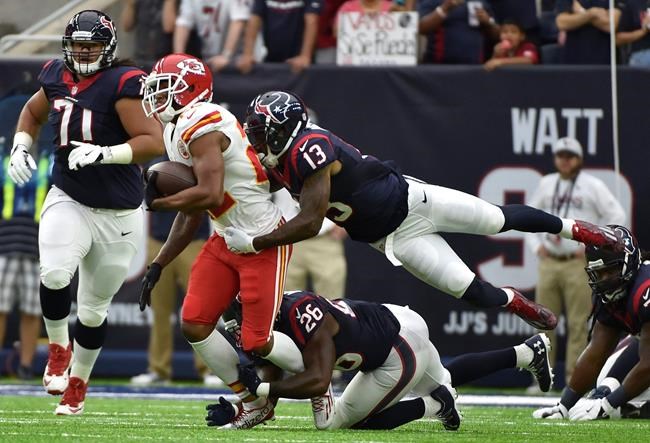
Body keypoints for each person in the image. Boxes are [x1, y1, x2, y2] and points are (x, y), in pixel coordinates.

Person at [223, 90, 625, 334]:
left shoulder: (311, 147)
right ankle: (514, 302)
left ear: (286, 127)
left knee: (496, 219)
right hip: (393, 239)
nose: (257, 139)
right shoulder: (281, 158)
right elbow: (260, 181)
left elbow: (310, 221)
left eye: (261, 130)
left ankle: (583, 232)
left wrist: (255, 240)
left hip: (414, 201)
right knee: (469, 290)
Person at [6, 10, 164, 414]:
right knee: (55, 272)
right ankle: (58, 350)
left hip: (119, 211)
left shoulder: (123, 82)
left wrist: (108, 153)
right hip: (69, 195)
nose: (83, 52)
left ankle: (79, 381)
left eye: (91, 46)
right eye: (77, 45)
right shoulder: (55, 74)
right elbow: (32, 113)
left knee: (93, 311)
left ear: (108, 47)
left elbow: (153, 140)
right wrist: (22, 144)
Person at [139, 53, 308, 429]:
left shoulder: (204, 120)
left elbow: (210, 194)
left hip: (262, 238)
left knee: (258, 342)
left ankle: (319, 382)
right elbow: (194, 211)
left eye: (164, 87)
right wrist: (159, 263)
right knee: (195, 323)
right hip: (226, 238)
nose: (155, 95)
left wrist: (158, 201)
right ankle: (252, 402)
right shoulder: (176, 127)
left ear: (190, 92)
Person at [207, 290, 554, 430]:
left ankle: (435, 406)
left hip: (395, 347)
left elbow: (316, 379)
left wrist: (264, 387)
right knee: (443, 374)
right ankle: (526, 353)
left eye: (243, 323)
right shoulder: (278, 317)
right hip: (395, 321)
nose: (241, 334)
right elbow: (274, 374)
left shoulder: (301, 314)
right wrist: (245, 405)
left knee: (338, 422)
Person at [527, 137, 626, 391]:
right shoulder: (547, 183)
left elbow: (617, 215)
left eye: (570, 156)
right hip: (549, 260)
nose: (565, 160)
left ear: (579, 159)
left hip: (577, 262)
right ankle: (541, 381)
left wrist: (593, 246)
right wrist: (536, 246)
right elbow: (528, 216)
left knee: (579, 323)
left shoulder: (592, 185)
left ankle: (574, 380)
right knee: (541, 321)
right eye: (561, 155)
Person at [532, 226, 650, 420]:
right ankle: (630, 406)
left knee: (620, 394)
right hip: (642, 343)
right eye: (599, 273)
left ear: (629, 262)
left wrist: (607, 405)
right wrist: (564, 406)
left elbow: (648, 365)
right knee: (606, 383)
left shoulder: (645, 288)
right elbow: (596, 352)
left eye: (609, 271)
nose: (604, 280)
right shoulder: (612, 294)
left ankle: (635, 406)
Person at [130, 193, 221, 386]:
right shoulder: (153, 162)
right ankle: (159, 369)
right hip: (159, 241)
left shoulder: (199, 162)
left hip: (194, 240)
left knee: (202, 310)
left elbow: (209, 193)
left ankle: (209, 369)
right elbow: (147, 198)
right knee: (159, 311)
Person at [0, 134, 50, 380]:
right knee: (0, 307)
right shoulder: (4, 162)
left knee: (31, 310)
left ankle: (26, 366)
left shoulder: (48, 164)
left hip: (36, 246)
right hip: (4, 244)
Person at [237, 0, 322, 74]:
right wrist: (247, 54)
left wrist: (305, 56)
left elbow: (311, 20)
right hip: (272, 57)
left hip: (300, 61)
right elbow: (254, 19)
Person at [173, 0, 253, 72]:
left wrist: (225, 55)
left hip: (237, 62)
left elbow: (238, 22)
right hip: (209, 60)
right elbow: (183, 24)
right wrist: (178, 59)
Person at [418, 0, 500, 64]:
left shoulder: (481, 2)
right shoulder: (433, 1)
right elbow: (421, 28)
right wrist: (444, 8)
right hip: (440, 67)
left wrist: (488, 22)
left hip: (473, 67)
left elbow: (497, 35)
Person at [555, 0, 624, 64]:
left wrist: (582, 12)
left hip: (605, 60)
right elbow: (561, 23)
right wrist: (591, 13)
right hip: (573, 59)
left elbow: (610, 25)